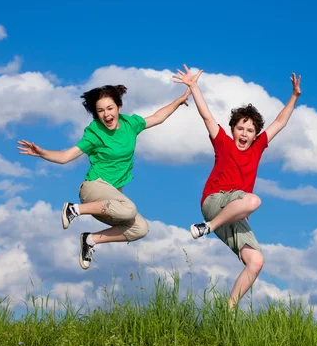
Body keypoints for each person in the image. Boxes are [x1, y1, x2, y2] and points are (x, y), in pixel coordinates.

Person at [17, 84, 191, 270]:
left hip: (111, 203)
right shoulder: (94, 133)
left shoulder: (131, 125)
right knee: (129, 209)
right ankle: (73, 209)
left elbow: (158, 117)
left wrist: (180, 100)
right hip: (93, 189)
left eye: (110, 108)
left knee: (140, 228)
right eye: (100, 111)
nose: (106, 114)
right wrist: (42, 152)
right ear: (96, 114)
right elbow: (65, 157)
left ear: (119, 107)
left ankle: (90, 240)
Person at [173, 64, 302, 309]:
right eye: (240, 128)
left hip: (233, 213)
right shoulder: (223, 143)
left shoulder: (257, 149)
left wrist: (294, 97)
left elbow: (279, 122)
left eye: (250, 130)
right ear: (232, 130)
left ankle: (228, 311)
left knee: (256, 261)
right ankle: (207, 227)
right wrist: (194, 86)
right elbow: (207, 116)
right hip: (214, 201)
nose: (244, 133)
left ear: (256, 135)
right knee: (254, 201)